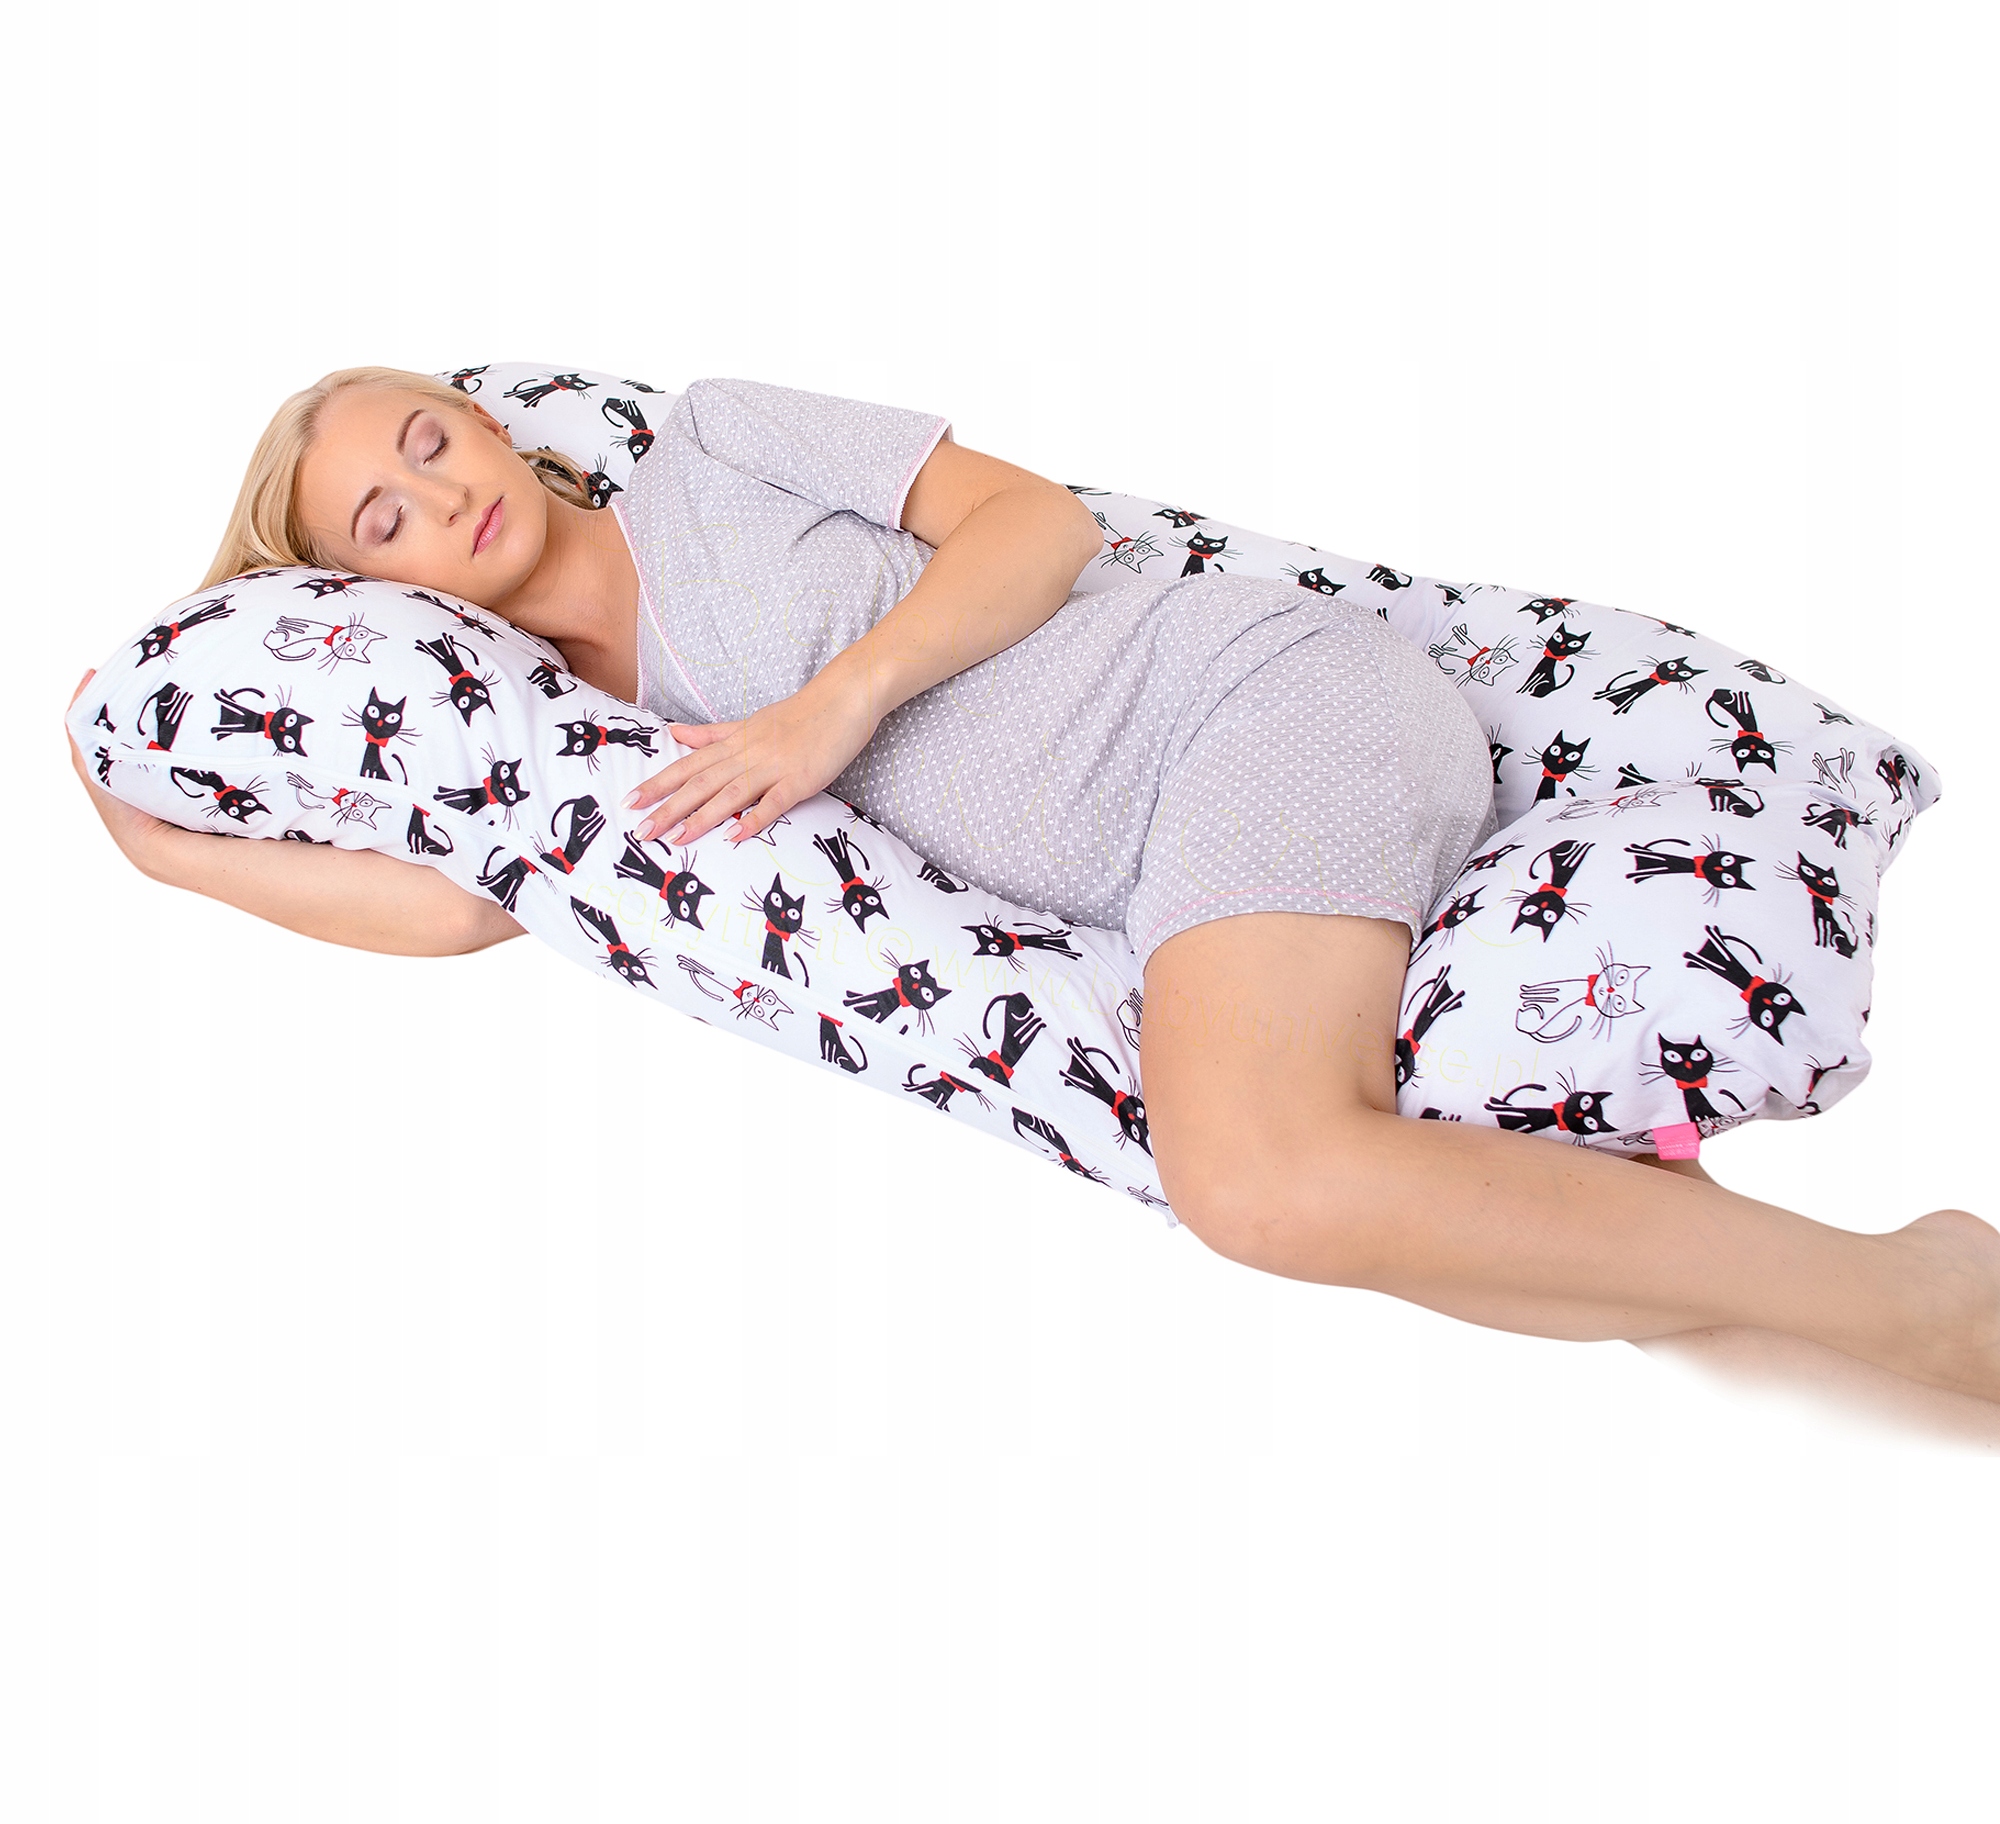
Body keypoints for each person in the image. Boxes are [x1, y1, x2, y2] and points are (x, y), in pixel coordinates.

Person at [66, 366, 2000, 1408]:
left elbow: (1034, 519)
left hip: (1240, 703)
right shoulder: (558, 751)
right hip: (1172, 873)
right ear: (378, 596)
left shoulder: (715, 445)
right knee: (1468, 1263)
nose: (439, 490)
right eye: (383, 516)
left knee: (1252, 1178)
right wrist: (148, 842)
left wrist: (832, 706)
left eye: (429, 439)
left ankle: (1923, 1296)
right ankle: (1832, 1319)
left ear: (491, 415)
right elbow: (452, 911)